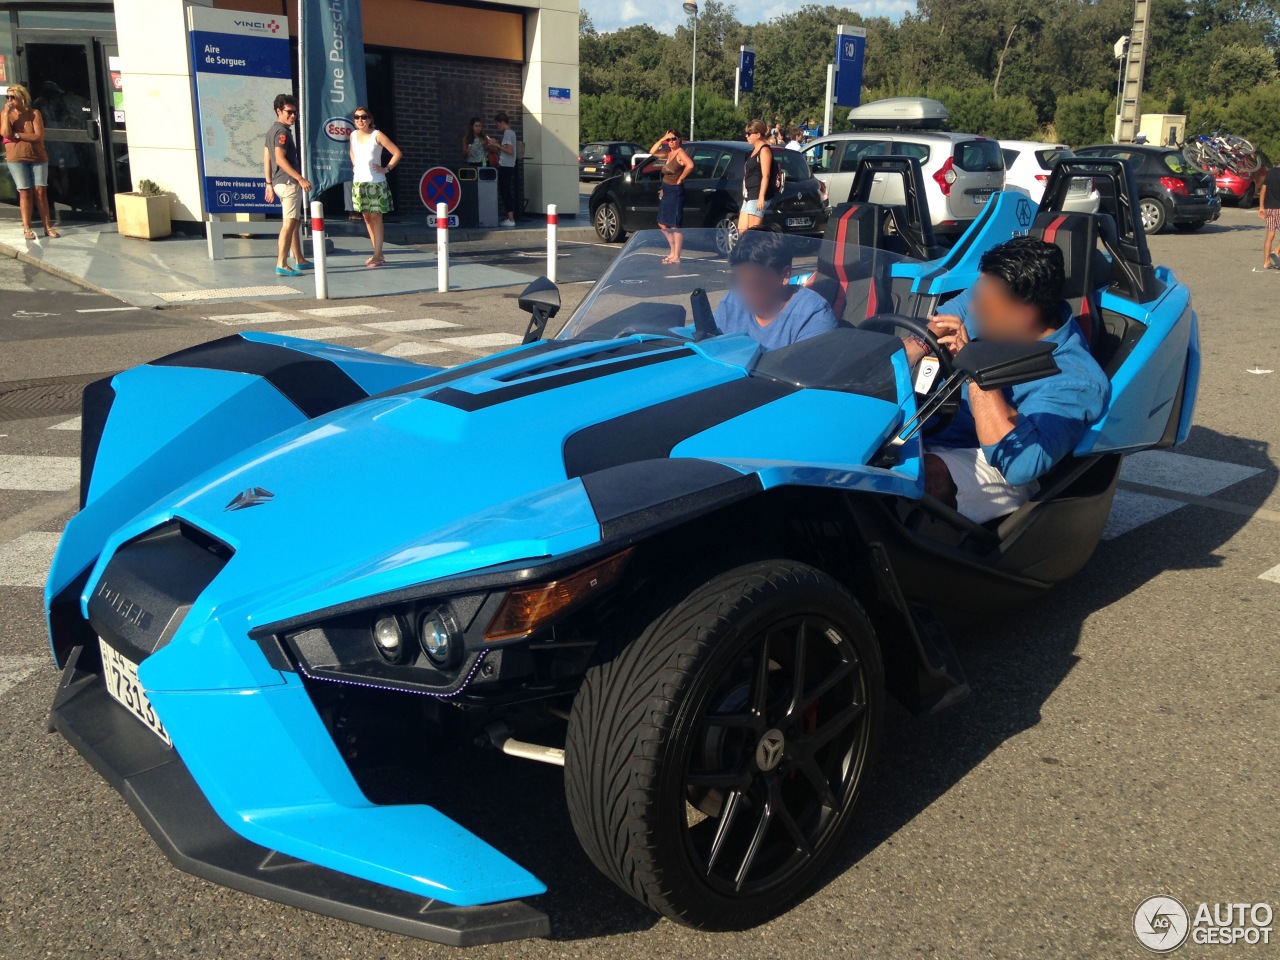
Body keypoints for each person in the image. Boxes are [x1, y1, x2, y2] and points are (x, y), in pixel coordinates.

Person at [903, 236, 1111, 523]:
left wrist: (975, 368)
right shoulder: (990, 298)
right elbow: (941, 321)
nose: (972, 309)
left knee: (917, 475)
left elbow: (1020, 464)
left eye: (984, 307)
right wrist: (919, 344)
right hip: (935, 428)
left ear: (1023, 317)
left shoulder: (1074, 380)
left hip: (1000, 456)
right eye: (975, 295)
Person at [714, 229, 838, 349]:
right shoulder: (731, 302)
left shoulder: (812, 317)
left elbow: (806, 368)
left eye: (755, 282)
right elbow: (707, 344)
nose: (744, 291)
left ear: (785, 275)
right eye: (739, 279)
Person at [1, 84, 58, 240]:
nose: (10, 100)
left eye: (13, 97)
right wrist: (6, 113)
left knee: (40, 191)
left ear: (22, 97)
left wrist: (17, 135)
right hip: (16, 158)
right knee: (24, 191)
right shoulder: (6, 114)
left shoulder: (34, 113)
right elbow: (5, 133)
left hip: (37, 157)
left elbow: (37, 136)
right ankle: (27, 228)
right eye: (8, 97)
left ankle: (48, 226)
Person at [263, 93, 311, 276]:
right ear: (278, 111)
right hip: (288, 183)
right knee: (289, 224)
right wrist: (300, 178)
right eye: (289, 112)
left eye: (295, 112)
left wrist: (268, 183)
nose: (293, 116)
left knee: (295, 222)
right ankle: (282, 263)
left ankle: (299, 259)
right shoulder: (282, 133)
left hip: (278, 182)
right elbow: (280, 159)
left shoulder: (271, 131)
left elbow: (267, 158)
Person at [349, 106, 402, 268]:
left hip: (376, 182)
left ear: (370, 119)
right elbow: (352, 152)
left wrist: (386, 168)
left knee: (376, 218)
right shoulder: (353, 135)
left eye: (364, 117)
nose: (360, 120)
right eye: (357, 117)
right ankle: (378, 251)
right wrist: (355, 165)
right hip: (359, 182)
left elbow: (397, 152)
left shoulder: (376, 135)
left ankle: (377, 255)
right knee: (367, 218)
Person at [649, 129, 692, 264]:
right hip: (666, 190)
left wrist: (681, 178)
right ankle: (672, 250)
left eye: (674, 139)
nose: (671, 142)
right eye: (670, 139)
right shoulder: (669, 153)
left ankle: (676, 255)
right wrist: (663, 139)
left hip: (676, 191)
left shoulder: (680, 152)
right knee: (662, 223)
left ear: (679, 140)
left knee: (675, 224)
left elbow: (690, 165)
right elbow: (652, 152)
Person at [740, 119, 776, 235]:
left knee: (753, 232)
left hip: (757, 194)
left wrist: (761, 197)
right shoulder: (752, 151)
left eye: (749, 134)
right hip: (749, 194)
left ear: (758, 135)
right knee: (742, 230)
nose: (747, 136)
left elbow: (766, 175)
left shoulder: (764, 150)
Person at [493, 112, 518, 226]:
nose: (498, 127)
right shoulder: (512, 132)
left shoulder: (507, 133)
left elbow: (509, 150)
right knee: (506, 191)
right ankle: (511, 217)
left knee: (505, 191)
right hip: (510, 165)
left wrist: (497, 145)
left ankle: (510, 218)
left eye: (498, 124)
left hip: (505, 166)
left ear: (502, 122)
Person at [1257, 161, 1280, 270]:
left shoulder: (1271, 173)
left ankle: (1266, 262)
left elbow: (1263, 190)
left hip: (1269, 208)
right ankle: (1276, 251)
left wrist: (1261, 207)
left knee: (1270, 235)